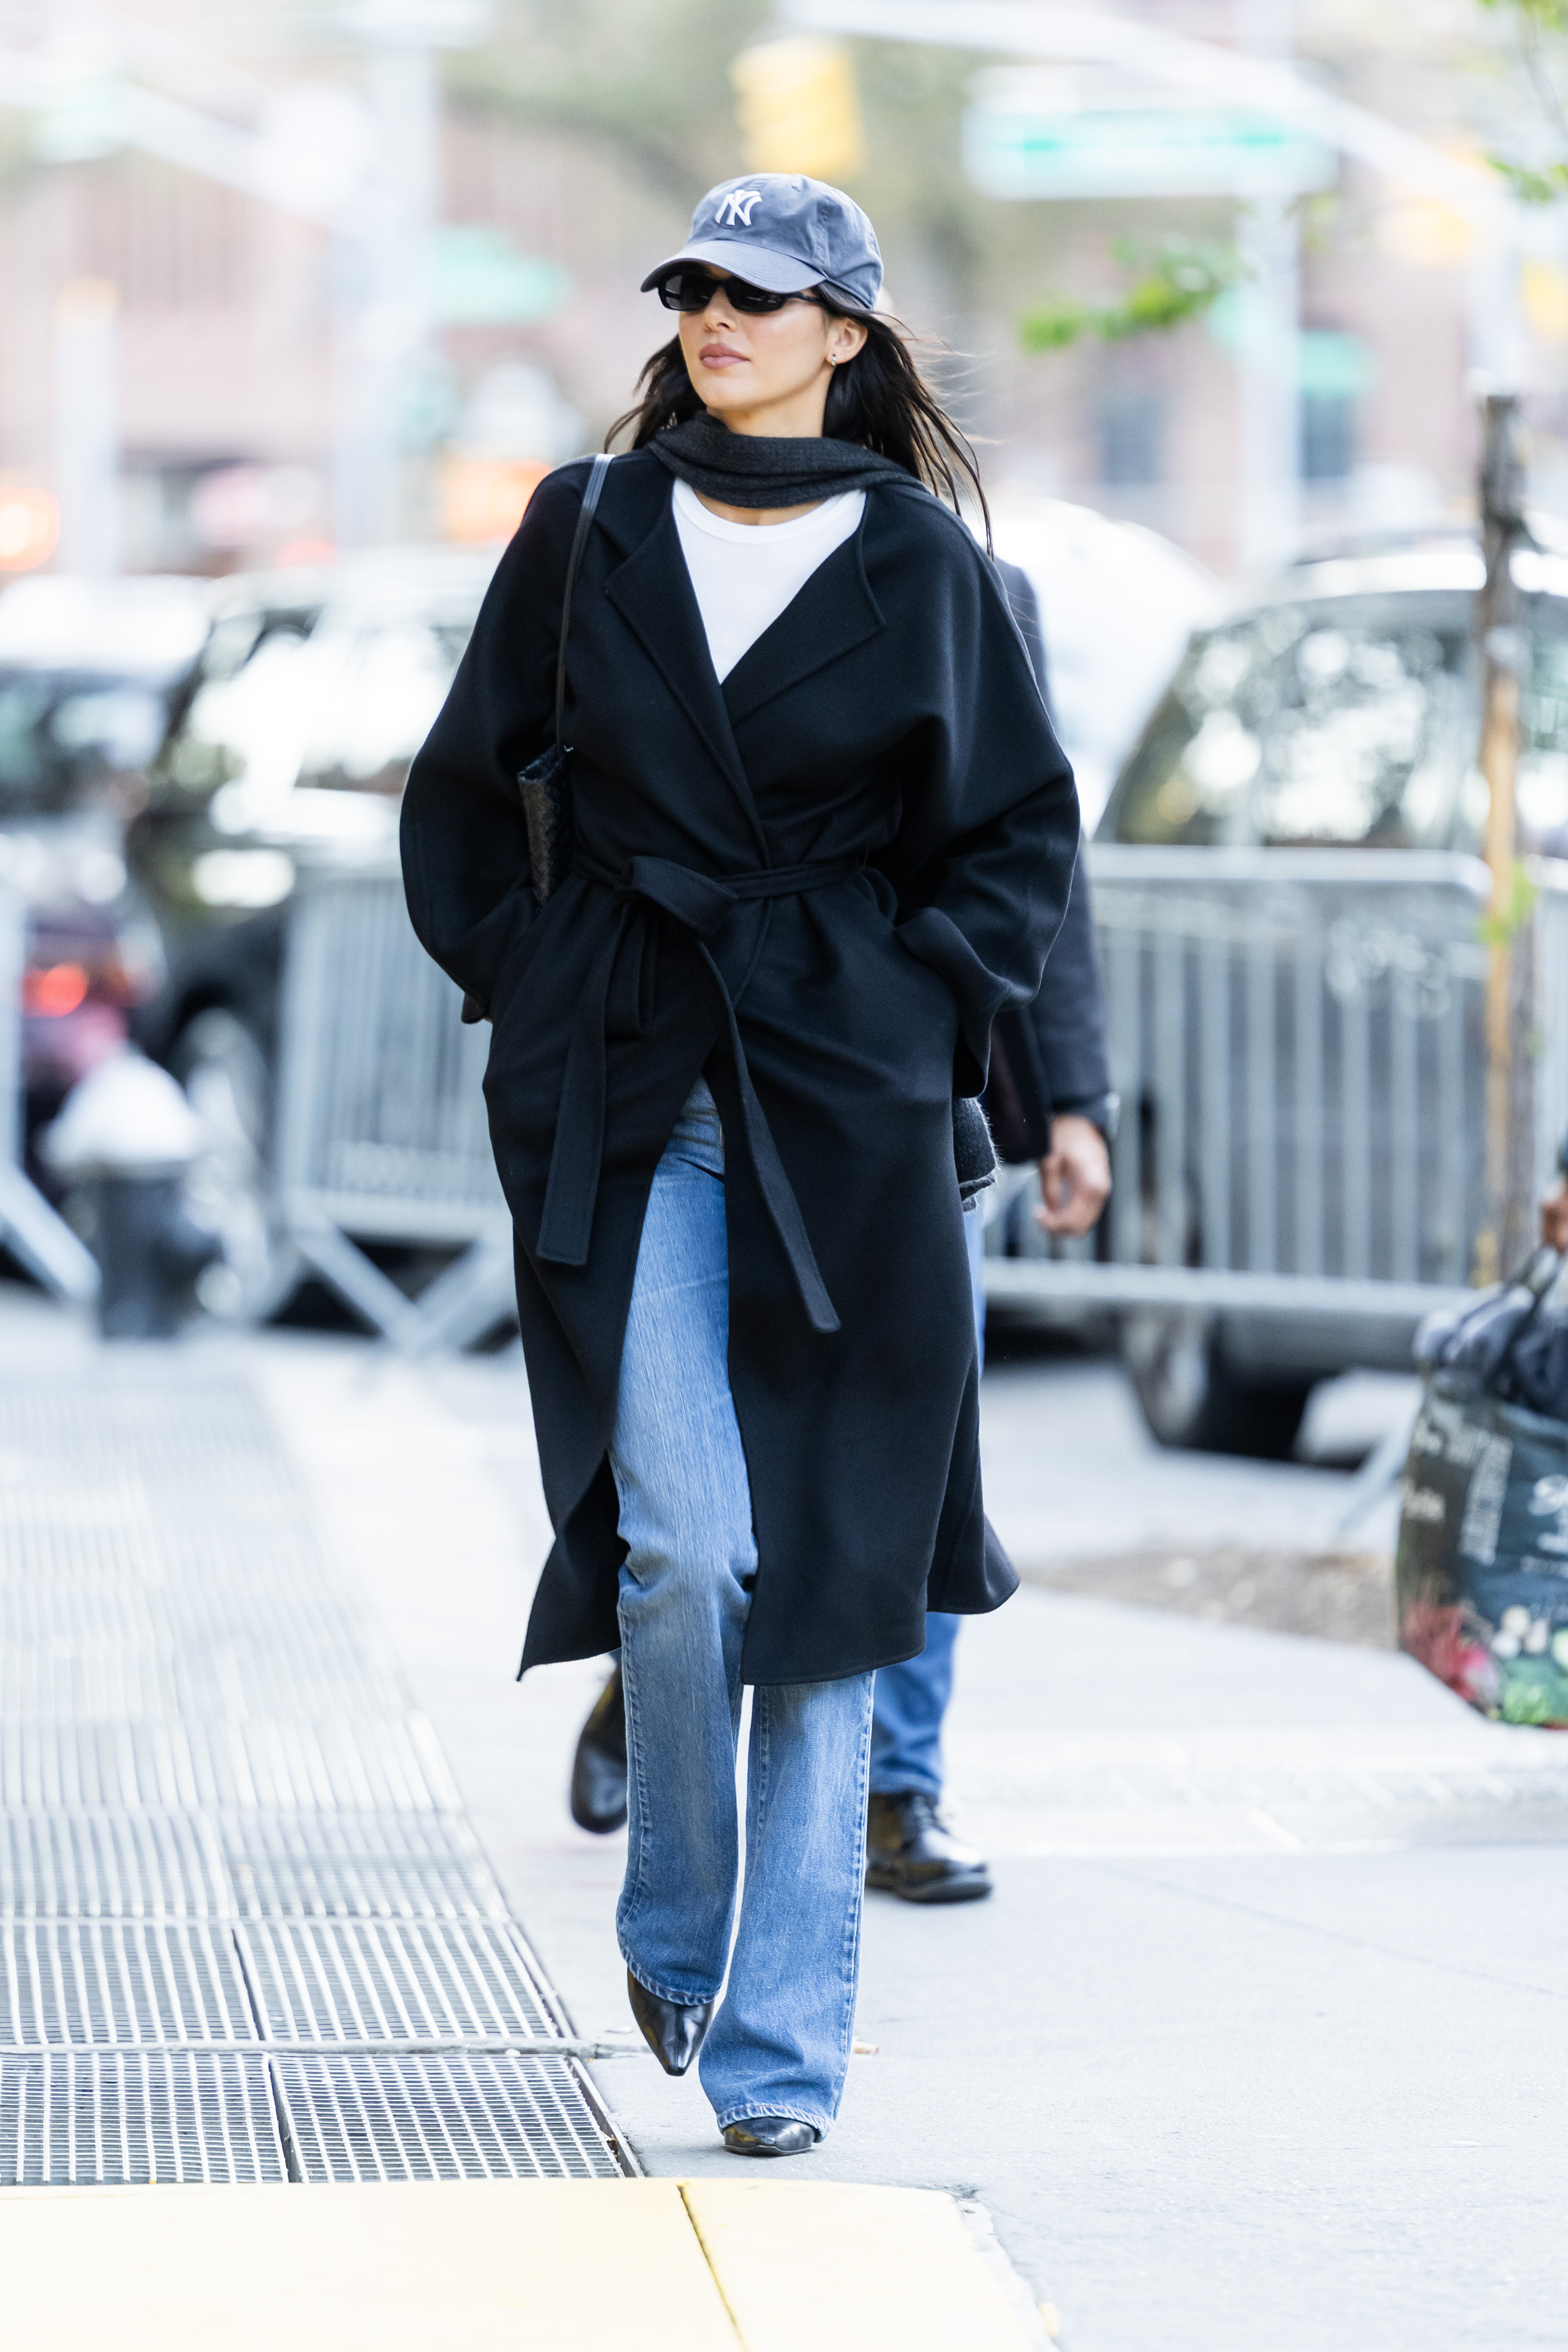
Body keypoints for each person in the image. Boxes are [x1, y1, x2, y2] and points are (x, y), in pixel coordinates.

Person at [401, 172, 1080, 2158]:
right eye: (695, 285)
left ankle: (779, 2057)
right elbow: (463, 794)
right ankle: (678, 1908)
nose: (718, 317)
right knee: (688, 1546)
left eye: (763, 296)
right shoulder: (587, 521)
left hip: (848, 1118)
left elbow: (1018, 845)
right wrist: (543, 981)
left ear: (844, 337)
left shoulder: (922, 563)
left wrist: (904, 1002)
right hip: (635, 1096)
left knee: (842, 1579)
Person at [571, 572, 1116, 1904]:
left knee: (909, 1461)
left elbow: (1035, 868)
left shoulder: (967, 587)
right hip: (698, 1084)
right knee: (707, 1497)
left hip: (901, 1111)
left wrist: (1074, 1103)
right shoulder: (665, 555)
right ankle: (656, 1677)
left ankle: (896, 1787)